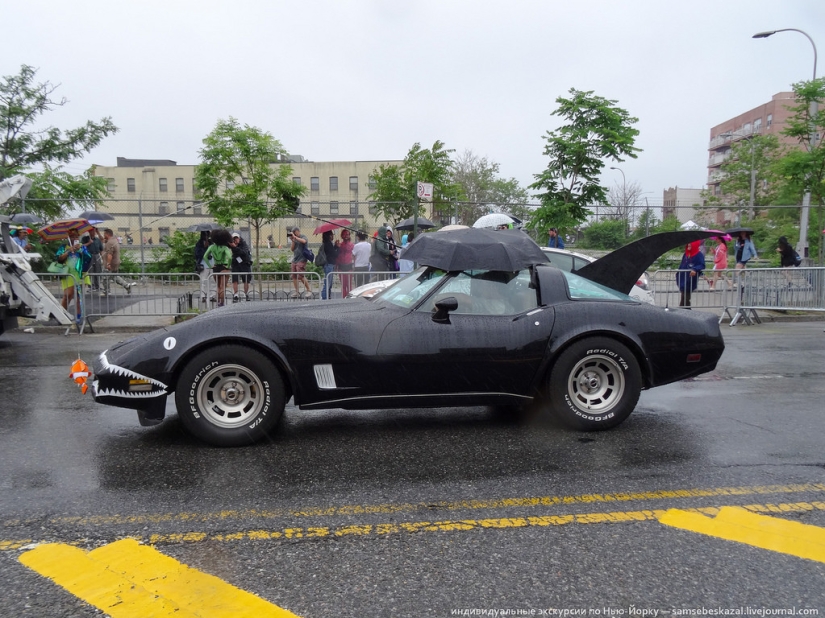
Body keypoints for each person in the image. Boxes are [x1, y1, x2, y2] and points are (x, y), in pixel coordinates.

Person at [55, 229, 92, 314]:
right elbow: (59, 258)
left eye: (76, 236)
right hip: (67, 273)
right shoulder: (64, 247)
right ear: (68, 237)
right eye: (72, 236)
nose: (75, 238)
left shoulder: (82, 247)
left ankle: (79, 317)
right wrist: (69, 251)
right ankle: (62, 315)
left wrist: (81, 251)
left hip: (80, 273)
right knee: (68, 295)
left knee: (79, 297)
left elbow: (88, 258)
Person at [101, 228, 137, 296]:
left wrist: (108, 264)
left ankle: (107, 291)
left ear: (107, 234)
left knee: (105, 277)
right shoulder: (114, 240)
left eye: (104, 234)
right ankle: (126, 286)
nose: (104, 235)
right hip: (116, 262)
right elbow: (105, 242)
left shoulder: (109, 243)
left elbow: (109, 254)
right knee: (114, 276)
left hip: (111, 263)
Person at [203, 228, 233, 306]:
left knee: (218, 286)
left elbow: (205, 256)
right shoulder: (225, 248)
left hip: (215, 267)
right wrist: (228, 266)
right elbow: (230, 257)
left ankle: (218, 302)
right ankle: (222, 303)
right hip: (224, 267)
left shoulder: (211, 247)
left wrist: (210, 266)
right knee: (223, 286)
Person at [676, 240, 705, 308]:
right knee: (684, 296)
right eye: (688, 244)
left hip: (690, 279)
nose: (688, 245)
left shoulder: (698, 255)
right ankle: (683, 311)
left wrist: (695, 269)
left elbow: (702, 265)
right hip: (683, 278)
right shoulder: (686, 254)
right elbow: (682, 264)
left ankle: (684, 311)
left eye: (690, 244)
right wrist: (678, 273)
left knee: (686, 297)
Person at [230, 231, 253, 301]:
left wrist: (235, 247)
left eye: (236, 238)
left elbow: (243, 252)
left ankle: (246, 294)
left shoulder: (244, 244)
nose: (235, 240)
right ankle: (236, 294)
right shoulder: (231, 244)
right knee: (235, 279)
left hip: (244, 263)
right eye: (234, 239)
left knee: (246, 279)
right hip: (235, 263)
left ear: (239, 238)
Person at [289, 226, 312, 296]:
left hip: (302, 259)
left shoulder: (303, 236)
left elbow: (304, 241)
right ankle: (297, 291)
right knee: (294, 276)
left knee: (300, 275)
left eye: (294, 232)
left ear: (297, 231)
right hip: (295, 259)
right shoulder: (295, 239)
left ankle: (309, 290)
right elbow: (292, 249)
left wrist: (295, 238)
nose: (294, 234)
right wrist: (293, 240)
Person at [194, 231, 214, 302]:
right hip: (203, 264)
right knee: (203, 280)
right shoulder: (199, 244)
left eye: (207, 235)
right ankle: (203, 296)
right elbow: (197, 254)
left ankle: (211, 295)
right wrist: (204, 248)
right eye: (205, 235)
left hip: (212, 264)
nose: (206, 237)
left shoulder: (211, 242)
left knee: (211, 280)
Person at [320, 230, 339, 300]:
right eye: (331, 235)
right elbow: (335, 254)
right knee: (327, 283)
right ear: (329, 236)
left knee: (329, 283)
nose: (333, 236)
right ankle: (325, 298)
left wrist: (336, 246)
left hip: (328, 264)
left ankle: (328, 296)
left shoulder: (327, 244)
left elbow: (331, 252)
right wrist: (338, 247)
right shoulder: (328, 244)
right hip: (329, 265)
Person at [336, 229, 354, 297]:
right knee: (343, 285)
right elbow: (337, 256)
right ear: (342, 236)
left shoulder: (351, 245)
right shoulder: (339, 245)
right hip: (341, 267)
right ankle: (344, 298)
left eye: (348, 234)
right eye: (345, 234)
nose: (346, 236)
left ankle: (349, 298)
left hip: (348, 266)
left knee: (349, 285)